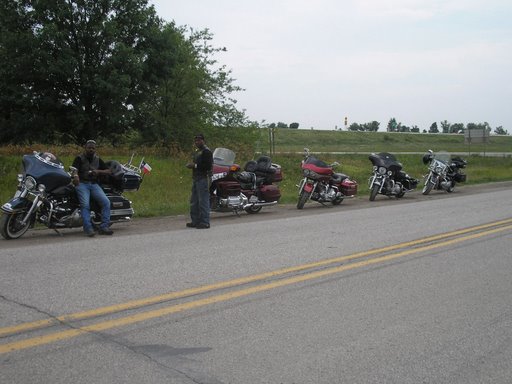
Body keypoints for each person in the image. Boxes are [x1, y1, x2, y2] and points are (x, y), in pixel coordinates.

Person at [72, 140, 113, 237]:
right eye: (89, 148)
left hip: (94, 184)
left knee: (106, 202)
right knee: (85, 205)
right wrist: (75, 176)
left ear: (95, 149)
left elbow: (109, 171)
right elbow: (73, 169)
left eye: (93, 148)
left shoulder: (97, 159)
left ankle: (104, 227)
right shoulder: (79, 158)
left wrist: (98, 171)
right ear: (85, 148)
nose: (91, 150)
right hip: (82, 184)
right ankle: (88, 228)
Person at [186, 133, 213, 229]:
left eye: (199, 140)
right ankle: (195, 221)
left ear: (203, 141)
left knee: (203, 201)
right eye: (196, 140)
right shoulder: (198, 151)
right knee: (194, 201)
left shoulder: (207, 152)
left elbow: (208, 166)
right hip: (196, 178)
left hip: (203, 178)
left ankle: (205, 222)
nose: (197, 142)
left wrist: (194, 165)